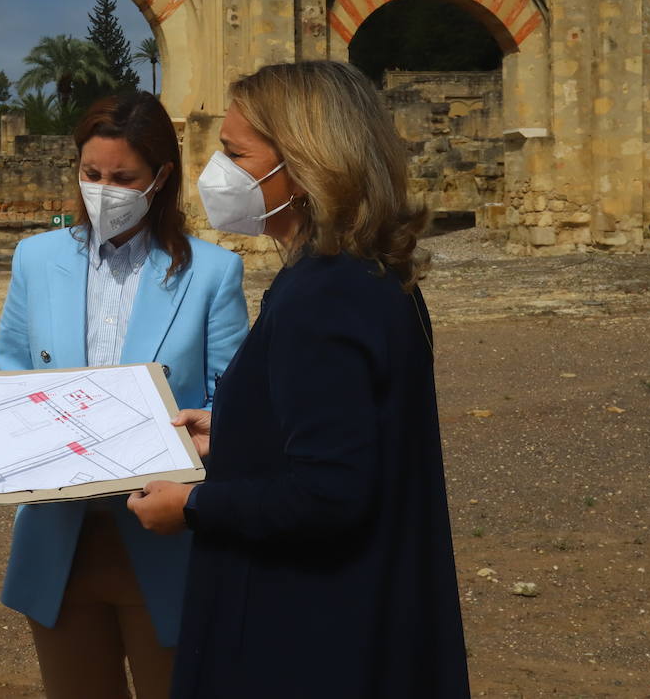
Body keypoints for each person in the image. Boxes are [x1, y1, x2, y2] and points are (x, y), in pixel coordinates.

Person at [127, 61, 470, 697]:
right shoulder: (363, 274)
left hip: (306, 634)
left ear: (306, 165)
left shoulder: (325, 294)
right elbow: (347, 432)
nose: (218, 173)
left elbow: (330, 494)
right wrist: (236, 434)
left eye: (234, 153)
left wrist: (194, 506)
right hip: (364, 617)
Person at [0, 91, 249, 698]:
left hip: (166, 539)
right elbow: (12, 373)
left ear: (160, 176)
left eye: (122, 177)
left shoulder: (212, 273)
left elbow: (236, 404)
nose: (104, 188)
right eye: (91, 174)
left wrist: (197, 442)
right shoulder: (36, 258)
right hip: (59, 541)